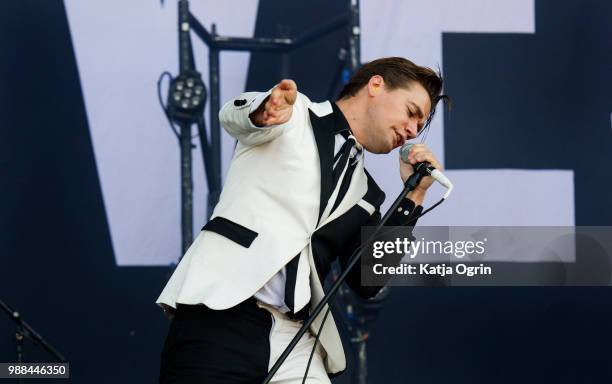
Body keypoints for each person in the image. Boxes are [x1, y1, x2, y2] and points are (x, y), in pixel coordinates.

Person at [157, 57, 446, 383]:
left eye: (419, 128)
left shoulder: (367, 195)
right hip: (223, 311)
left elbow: (368, 280)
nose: (411, 131)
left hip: (295, 337)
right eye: (411, 113)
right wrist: (264, 110)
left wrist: (414, 196)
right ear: (376, 85)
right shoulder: (296, 115)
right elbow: (236, 115)